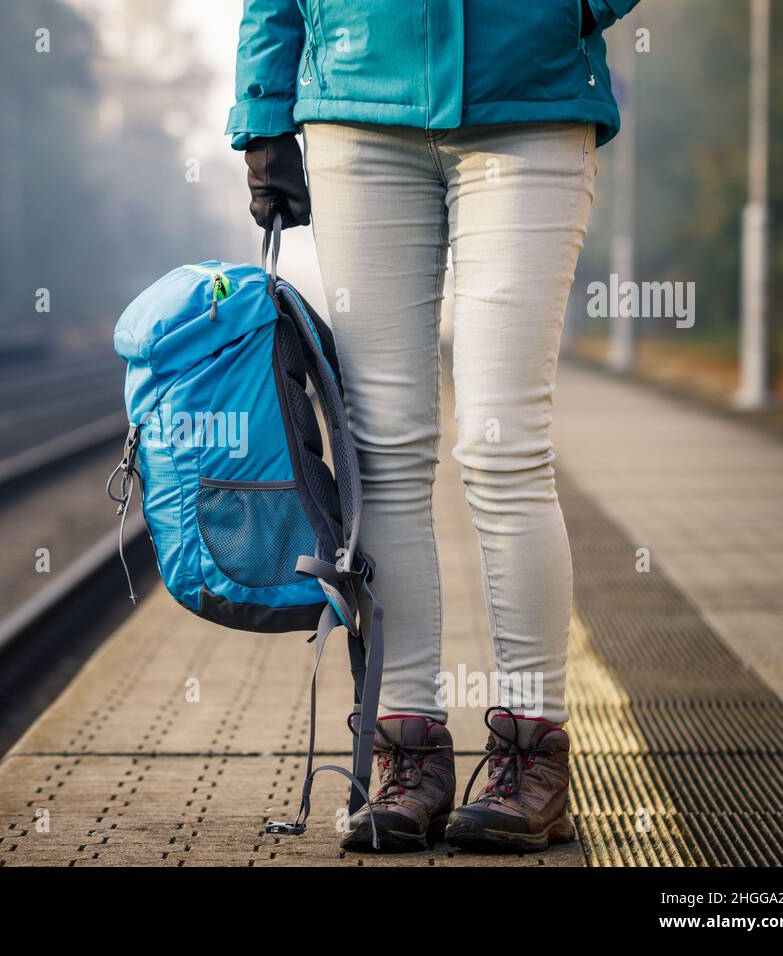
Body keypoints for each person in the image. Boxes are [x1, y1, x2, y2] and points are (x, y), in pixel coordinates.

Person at [227, 0, 641, 853]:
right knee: (379, 450)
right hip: (358, 110)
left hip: (528, 102)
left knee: (503, 443)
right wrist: (263, 111)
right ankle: (406, 752)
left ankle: (533, 754)